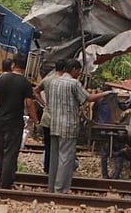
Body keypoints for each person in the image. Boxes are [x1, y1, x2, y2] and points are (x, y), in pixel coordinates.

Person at [46, 59, 112, 193]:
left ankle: (52, 186)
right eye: (79, 71)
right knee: (66, 158)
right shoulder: (74, 83)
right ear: (74, 70)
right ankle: (60, 189)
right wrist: (105, 93)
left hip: (54, 124)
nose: (79, 74)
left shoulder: (53, 82)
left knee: (54, 157)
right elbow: (88, 98)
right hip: (68, 126)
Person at [0, 54, 39, 189]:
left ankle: (0, 178)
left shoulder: (2, 79)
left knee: (1, 150)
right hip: (15, 122)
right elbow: (29, 104)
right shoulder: (26, 83)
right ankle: (6, 182)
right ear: (25, 67)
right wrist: (36, 121)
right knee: (11, 152)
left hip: (1, 120)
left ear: (13, 65)